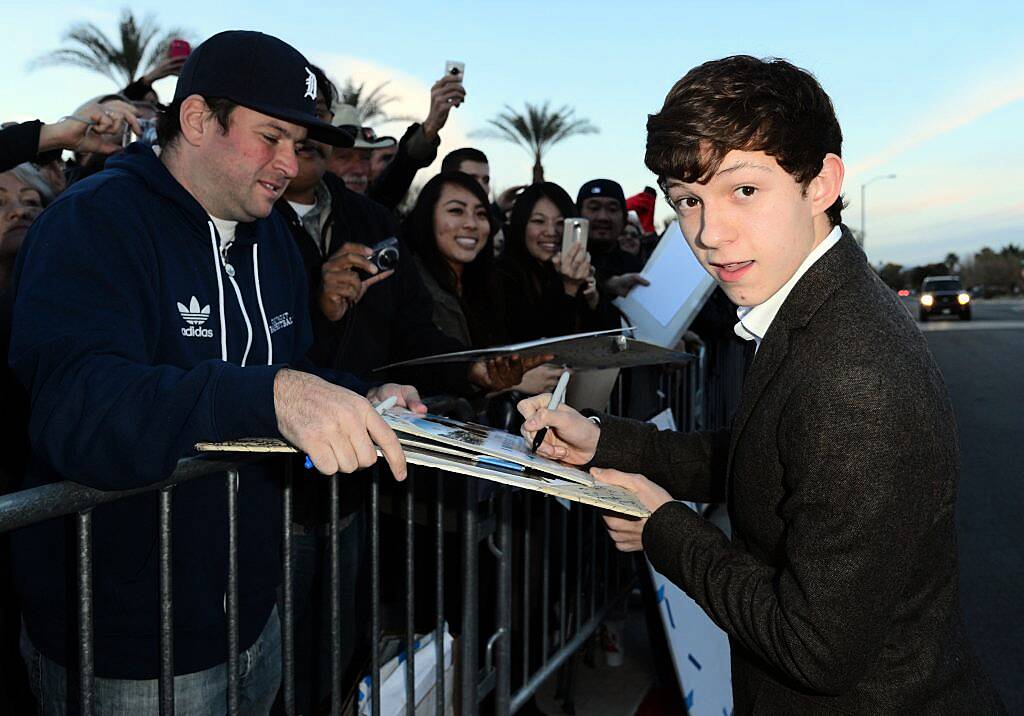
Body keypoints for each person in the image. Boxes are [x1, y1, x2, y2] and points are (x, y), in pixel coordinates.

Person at [520, 55, 1006, 714]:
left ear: (821, 184)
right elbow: (762, 457)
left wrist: (662, 526)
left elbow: (815, 647)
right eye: (687, 200)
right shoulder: (817, 305)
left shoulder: (852, 371)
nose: (710, 234)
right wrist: (603, 441)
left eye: (743, 190)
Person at [8, 31, 421, 715]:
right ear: (198, 120)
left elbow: (288, 372)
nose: (290, 164)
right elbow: (78, 407)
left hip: (257, 617)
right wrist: (270, 394)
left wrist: (359, 398)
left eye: (300, 143)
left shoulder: (275, 240)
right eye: (272, 138)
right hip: (131, 651)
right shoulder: (91, 223)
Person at [402, 172, 557, 400]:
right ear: (427, 217)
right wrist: (507, 384)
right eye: (456, 211)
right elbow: (414, 365)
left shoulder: (488, 285)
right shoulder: (408, 282)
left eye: (481, 214)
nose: (471, 224)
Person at [497, 182, 615, 342]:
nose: (551, 232)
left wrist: (594, 301)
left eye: (560, 223)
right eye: (539, 221)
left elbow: (607, 340)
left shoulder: (578, 269)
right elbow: (544, 346)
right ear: (521, 223)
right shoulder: (502, 275)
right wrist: (569, 289)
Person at [328, 72, 465, 210]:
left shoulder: (373, 215)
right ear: (321, 156)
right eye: (344, 157)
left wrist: (431, 126)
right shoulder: (309, 214)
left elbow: (403, 167)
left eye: (365, 158)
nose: (359, 170)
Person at [576, 178, 649, 297]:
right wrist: (606, 285)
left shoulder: (638, 268)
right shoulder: (561, 261)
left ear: (624, 218)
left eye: (612, 209)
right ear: (578, 214)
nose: (603, 217)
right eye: (594, 208)